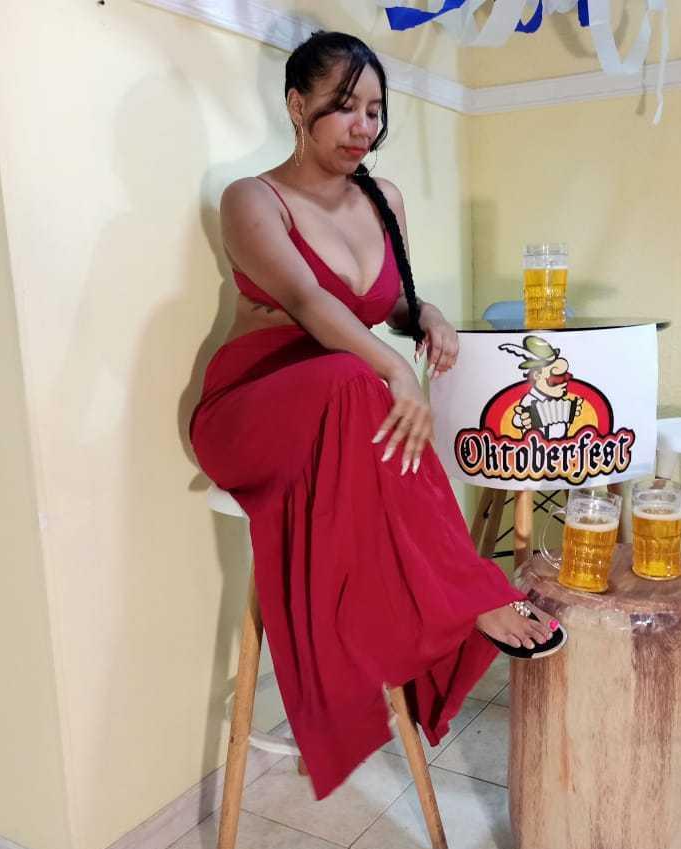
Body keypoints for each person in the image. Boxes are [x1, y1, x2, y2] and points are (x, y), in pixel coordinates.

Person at [189, 30, 566, 799]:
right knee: (355, 380)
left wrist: (428, 317)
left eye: (374, 110)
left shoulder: (382, 198)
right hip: (250, 413)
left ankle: (447, 602)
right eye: (344, 107)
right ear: (297, 106)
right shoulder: (251, 199)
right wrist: (394, 368)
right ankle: (469, 593)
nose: (363, 126)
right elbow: (307, 299)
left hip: (344, 409)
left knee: (356, 385)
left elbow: (389, 304)